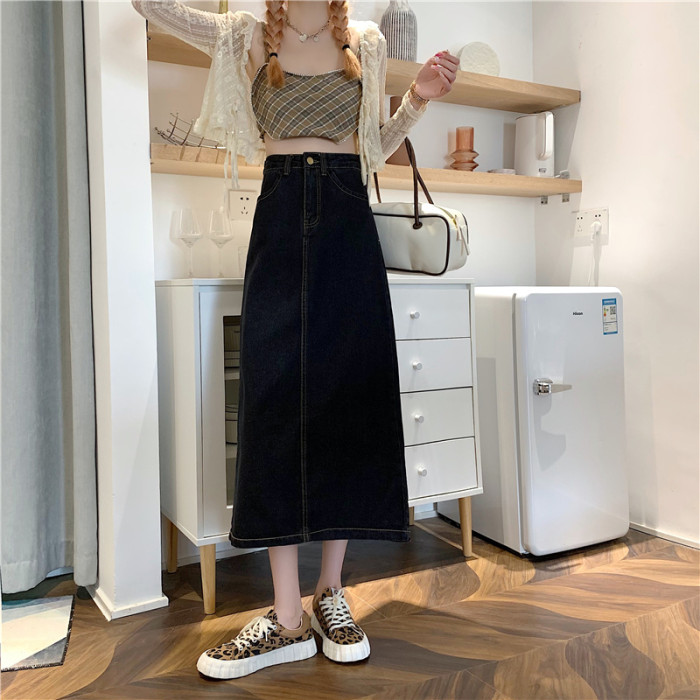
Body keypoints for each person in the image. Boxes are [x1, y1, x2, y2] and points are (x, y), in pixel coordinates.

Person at [131, 0, 458, 680]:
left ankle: (331, 593)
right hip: (279, 219)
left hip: (348, 222)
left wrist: (420, 98)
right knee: (273, 403)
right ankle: (287, 618)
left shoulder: (365, 41)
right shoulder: (246, 35)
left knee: (348, 399)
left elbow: (374, 147)